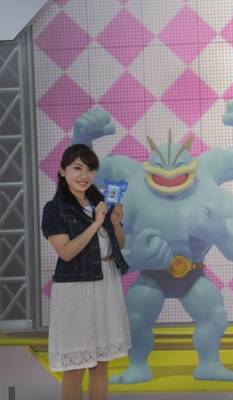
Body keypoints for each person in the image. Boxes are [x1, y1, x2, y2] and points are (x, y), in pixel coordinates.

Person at [41, 144, 131, 400]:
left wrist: (114, 224)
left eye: (90, 169)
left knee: (101, 365)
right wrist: (96, 224)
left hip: (105, 284)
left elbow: (119, 244)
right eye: (77, 168)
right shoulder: (54, 208)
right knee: (75, 369)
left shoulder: (100, 203)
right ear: (62, 171)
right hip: (75, 290)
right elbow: (66, 252)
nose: (84, 176)